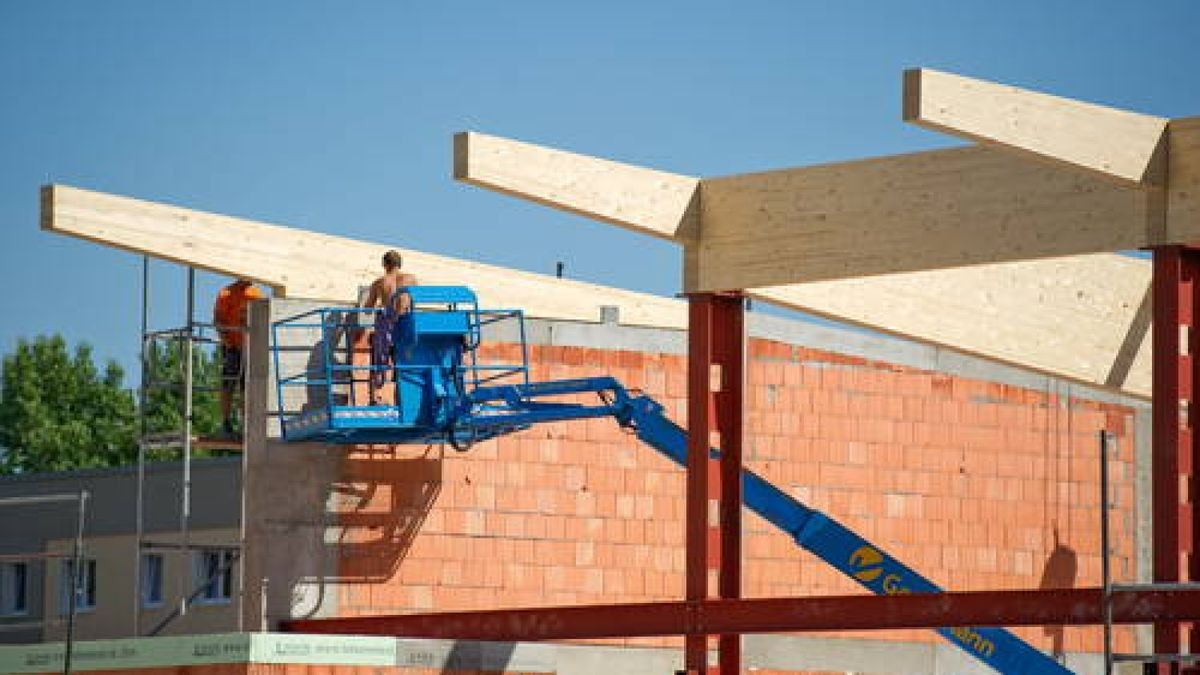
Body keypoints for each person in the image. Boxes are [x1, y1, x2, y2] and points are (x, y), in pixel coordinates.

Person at [362, 250, 417, 403]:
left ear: (384, 264)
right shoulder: (410, 279)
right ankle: (401, 400)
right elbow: (416, 302)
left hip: (386, 325)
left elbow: (367, 309)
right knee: (403, 363)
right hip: (406, 323)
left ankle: (374, 397)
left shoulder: (379, 283)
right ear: (400, 264)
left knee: (379, 361)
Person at [213, 278, 264, 435]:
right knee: (228, 385)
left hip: (249, 348)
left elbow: (261, 320)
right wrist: (228, 342)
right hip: (232, 347)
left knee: (246, 388)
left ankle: (245, 425)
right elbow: (218, 320)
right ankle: (226, 423)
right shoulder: (226, 294)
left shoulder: (256, 294)